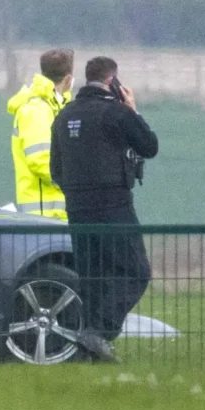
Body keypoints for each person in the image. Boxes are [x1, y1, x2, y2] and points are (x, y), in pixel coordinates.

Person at [49, 56, 159, 360]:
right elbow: (149, 146)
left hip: (77, 209)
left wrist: (77, 193)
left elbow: (55, 169)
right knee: (136, 272)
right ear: (113, 82)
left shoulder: (64, 115)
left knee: (93, 277)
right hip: (114, 206)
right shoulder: (117, 114)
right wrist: (132, 110)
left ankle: (88, 349)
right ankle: (99, 333)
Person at [6, 48, 73, 220]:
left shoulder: (52, 106)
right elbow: (41, 161)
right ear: (68, 79)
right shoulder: (38, 109)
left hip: (54, 214)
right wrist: (75, 181)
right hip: (44, 217)